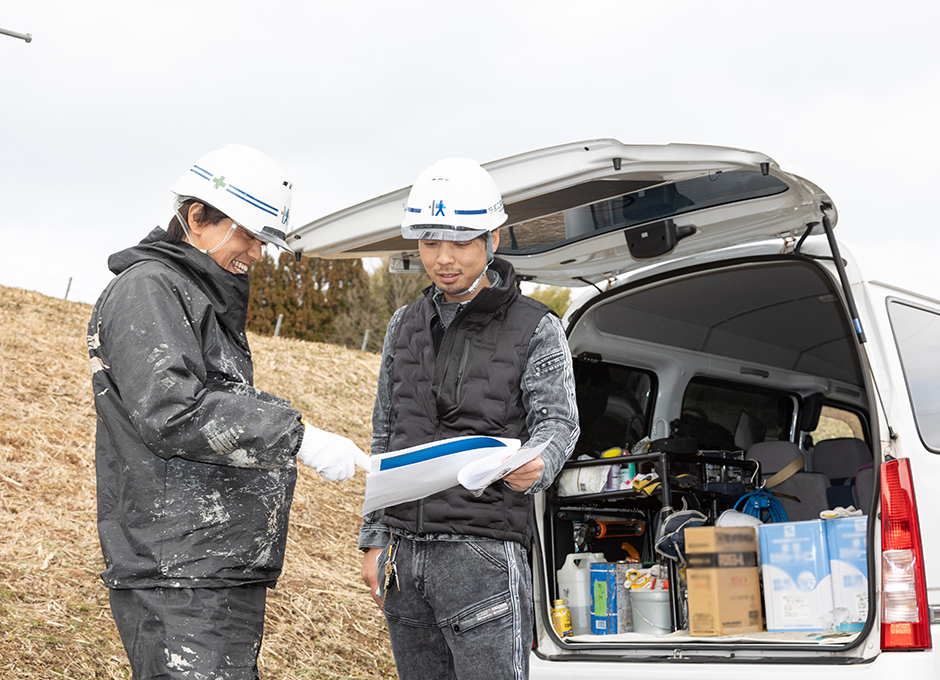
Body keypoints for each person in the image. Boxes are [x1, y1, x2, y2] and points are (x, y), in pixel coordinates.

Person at [87, 144, 367, 679]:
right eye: (249, 235)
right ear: (197, 217)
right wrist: (298, 437)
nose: (257, 254)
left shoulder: (193, 296)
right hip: (179, 570)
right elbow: (171, 411)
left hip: (209, 566)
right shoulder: (149, 290)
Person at [358, 157, 580, 679]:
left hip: (482, 554)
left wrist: (539, 460)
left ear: (493, 239)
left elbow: (559, 423)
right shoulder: (403, 325)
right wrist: (374, 535)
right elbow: (385, 431)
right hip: (405, 557)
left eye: (459, 241)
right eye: (431, 242)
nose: (443, 257)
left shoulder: (536, 327)